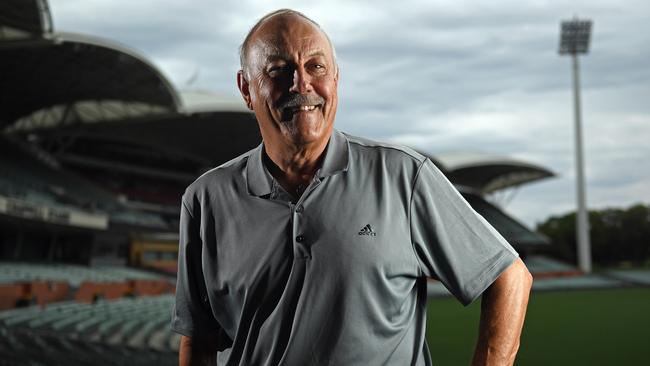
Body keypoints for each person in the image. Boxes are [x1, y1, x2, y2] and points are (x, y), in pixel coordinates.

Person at [171, 9, 532, 366]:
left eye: (316, 67)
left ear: (336, 80)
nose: (301, 84)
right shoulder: (206, 199)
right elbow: (199, 340)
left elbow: (508, 278)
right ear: (246, 88)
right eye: (279, 70)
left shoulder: (402, 176)